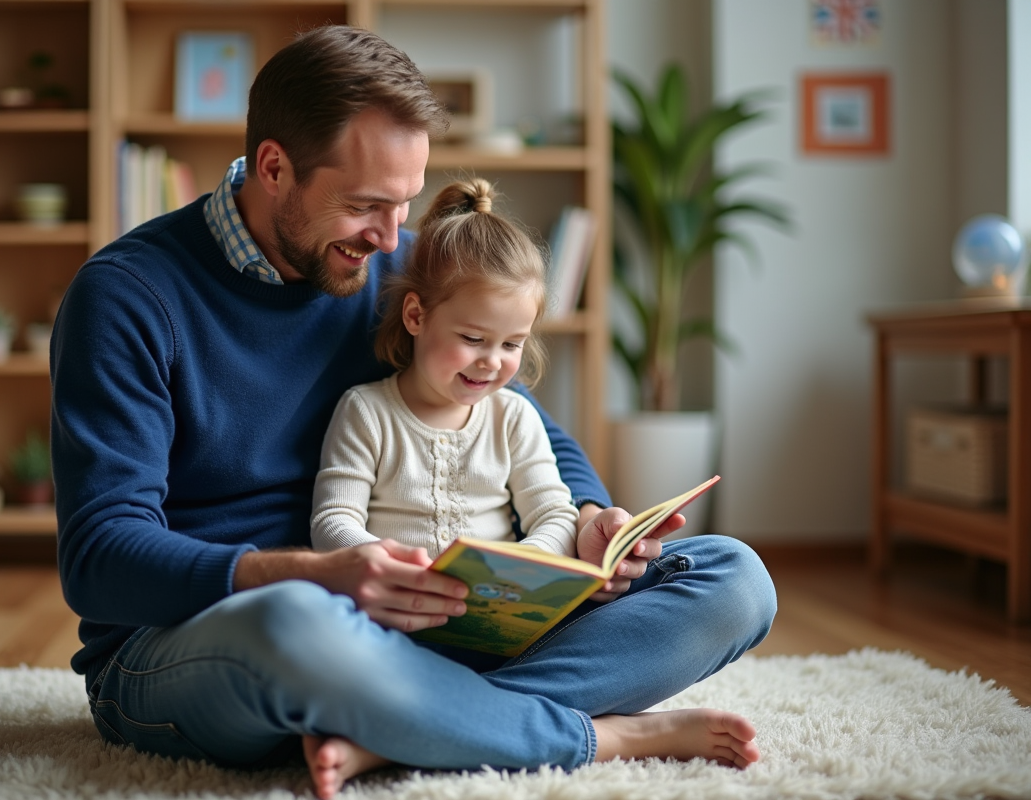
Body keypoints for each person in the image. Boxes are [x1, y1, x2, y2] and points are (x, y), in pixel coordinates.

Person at [50, 24, 777, 800]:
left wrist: (594, 522)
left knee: (733, 580)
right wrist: (313, 575)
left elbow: (518, 417)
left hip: (411, 625)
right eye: (366, 205)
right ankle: (591, 737)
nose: (393, 237)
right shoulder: (127, 297)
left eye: (404, 204)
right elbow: (99, 557)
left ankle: (410, 723)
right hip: (211, 638)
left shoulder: (393, 263)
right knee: (295, 622)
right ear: (274, 168)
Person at [311, 177, 586, 560]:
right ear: (415, 316)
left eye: (511, 344)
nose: (492, 361)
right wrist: (391, 564)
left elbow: (556, 516)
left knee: (681, 561)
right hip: (397, 592)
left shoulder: (513, 418)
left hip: (498, 593)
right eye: (473, 338)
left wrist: (520, 565)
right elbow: (333, 521)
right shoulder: (366, 413)